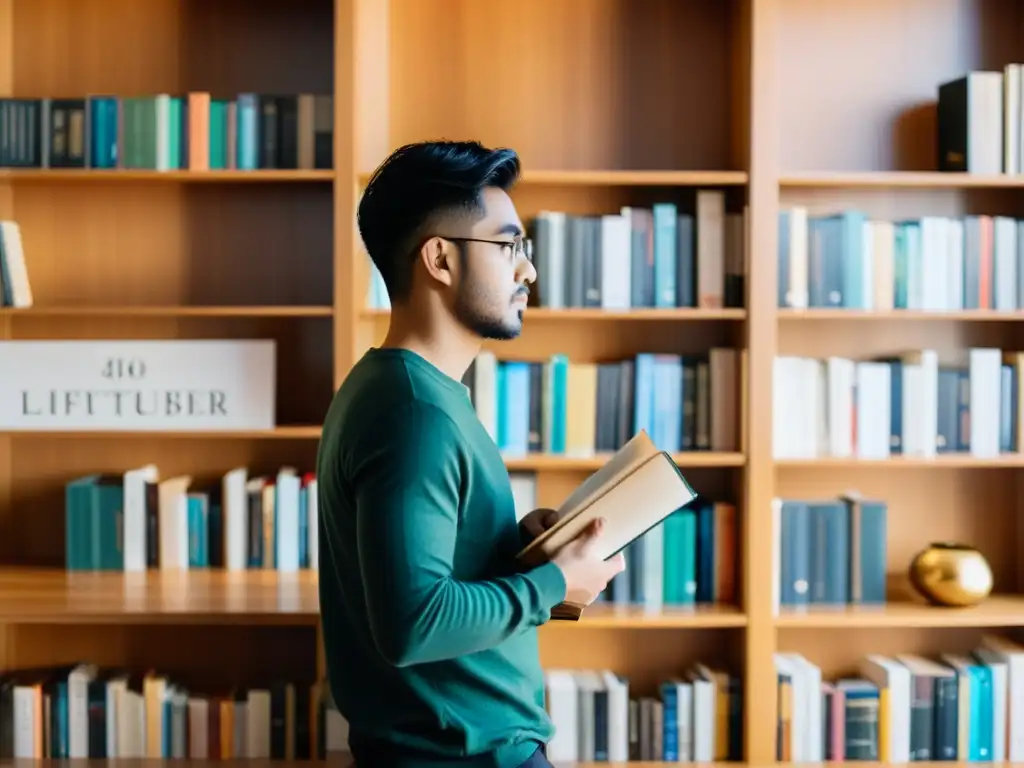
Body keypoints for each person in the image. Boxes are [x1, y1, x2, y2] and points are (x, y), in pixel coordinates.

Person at [315, 140, 626, 768]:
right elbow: (414, 623)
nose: (528, 271)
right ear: (440, 259)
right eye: (508, 245)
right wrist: (556, 583)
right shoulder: (414, 413)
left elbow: (423, 568)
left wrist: (517, 547)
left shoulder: (406, 392)